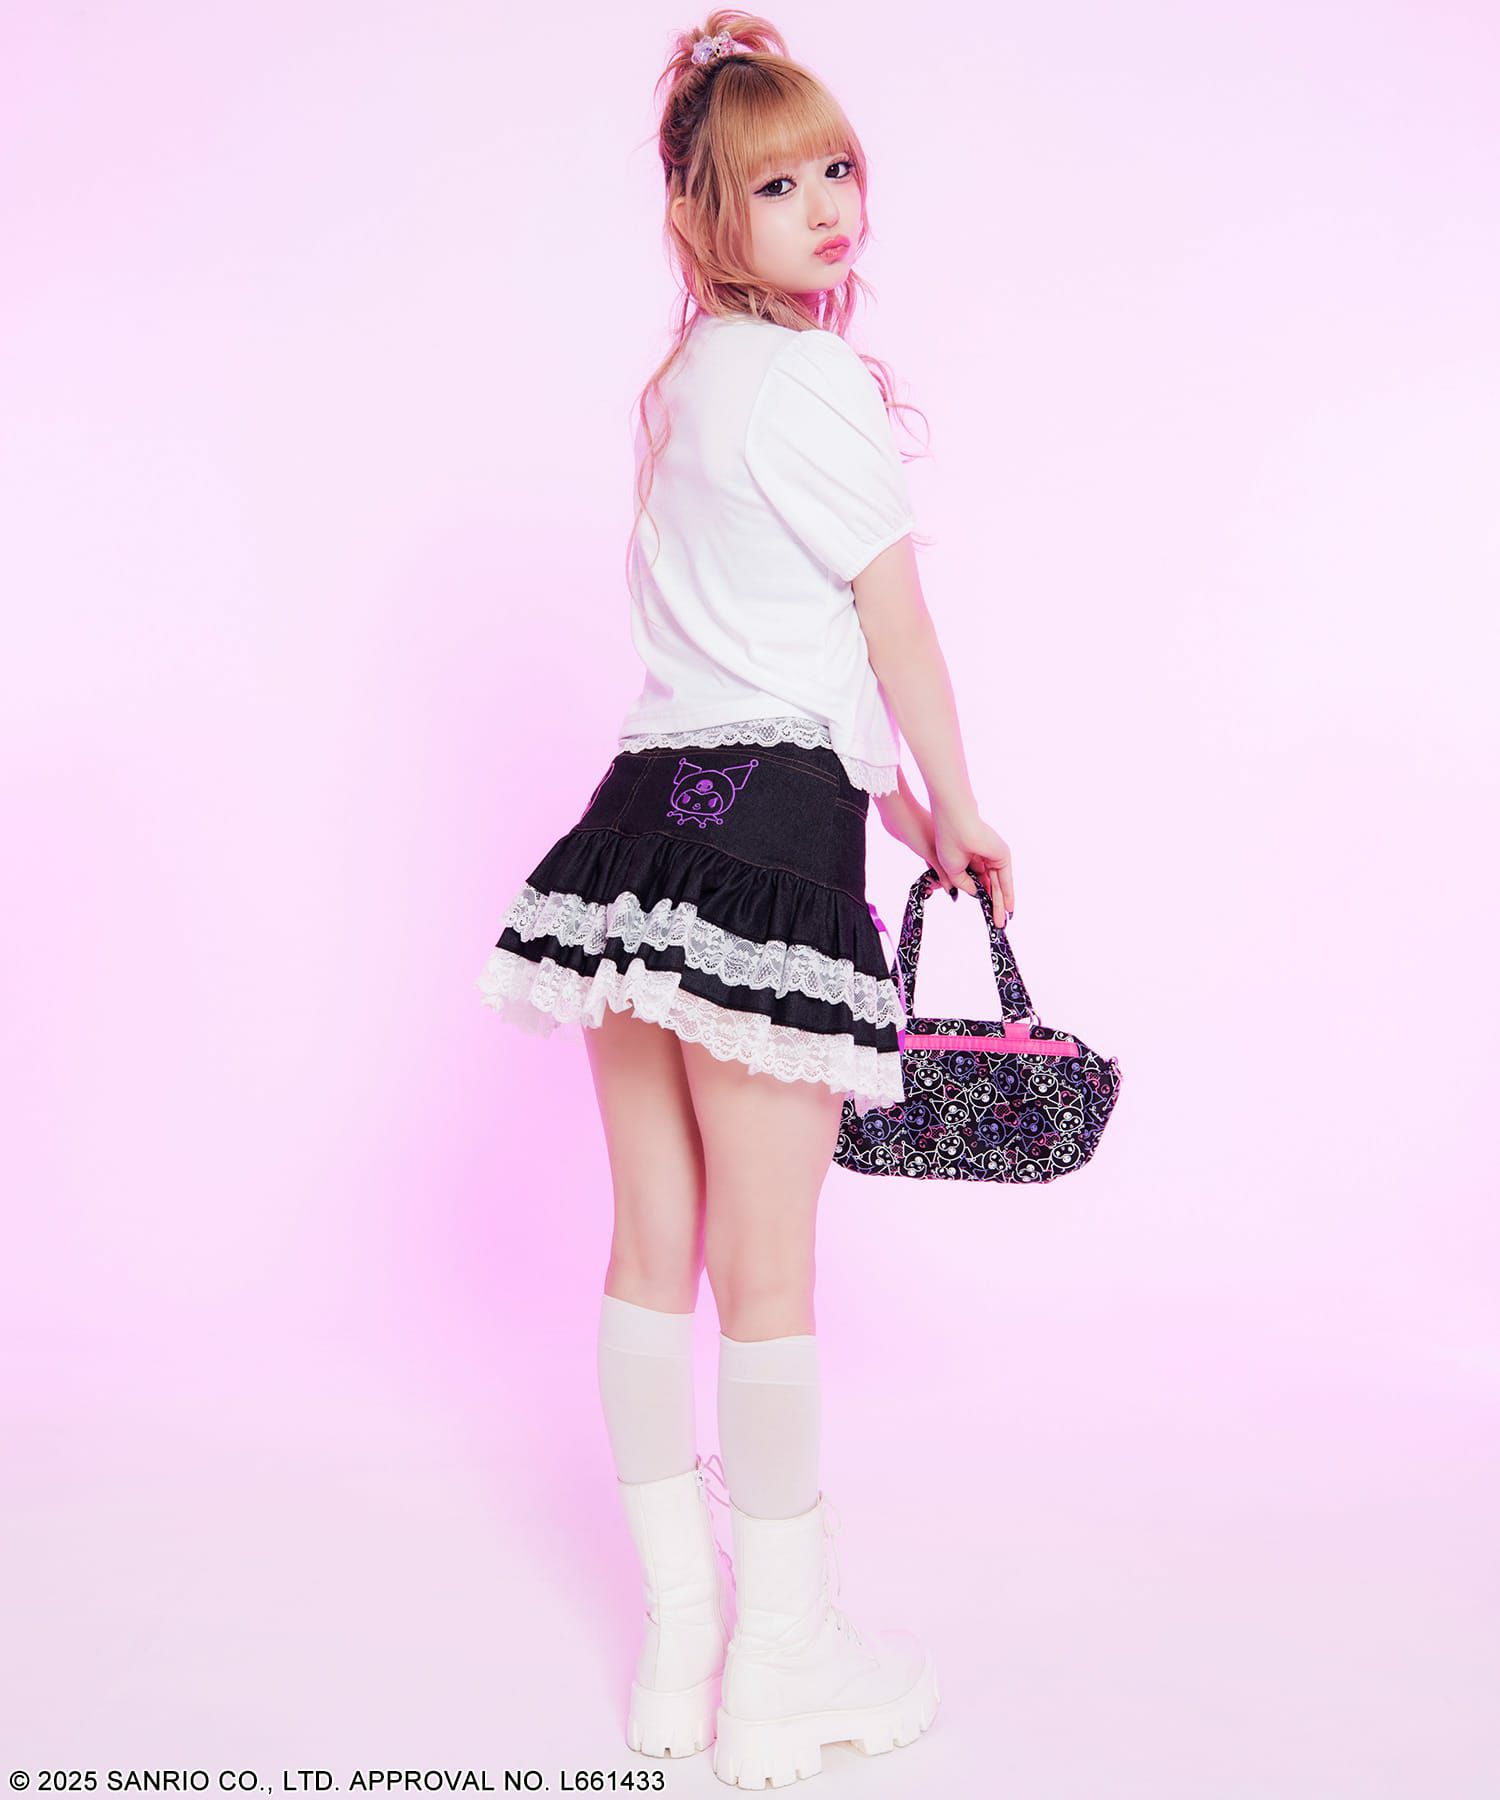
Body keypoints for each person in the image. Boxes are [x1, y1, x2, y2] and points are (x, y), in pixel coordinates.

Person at [476, 11, 1014, 1787]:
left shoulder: (683, 391)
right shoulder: (816, 385)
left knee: (650, 1249)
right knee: (766, 1275)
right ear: (703, 216)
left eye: (837, 168)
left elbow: (750, 642)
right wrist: (965, 803)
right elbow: (892, 625)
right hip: (771, 840)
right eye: (778, 185)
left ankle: (677, 1651)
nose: (828, 206)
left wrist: (906, 806)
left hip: (634, 834)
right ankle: (782, 1666)